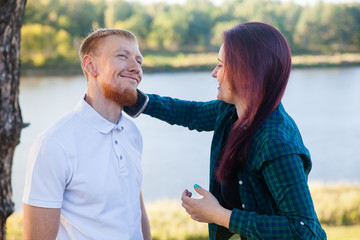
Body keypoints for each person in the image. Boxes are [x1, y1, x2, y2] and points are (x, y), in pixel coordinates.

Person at [140, 22, 326, 239]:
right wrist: (137, 101)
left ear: (246, 74)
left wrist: (219, 215)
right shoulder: (232, 111)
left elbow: (304, 230)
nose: (213, 73)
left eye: (220, 65)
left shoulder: (275, 143)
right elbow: (191, 113)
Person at [23, 28, 151, 240]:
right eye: (123, 56)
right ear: (91, 65)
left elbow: (136, 211)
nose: (135, 67)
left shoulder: (132, 133)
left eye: (139, 60)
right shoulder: (53, 144)